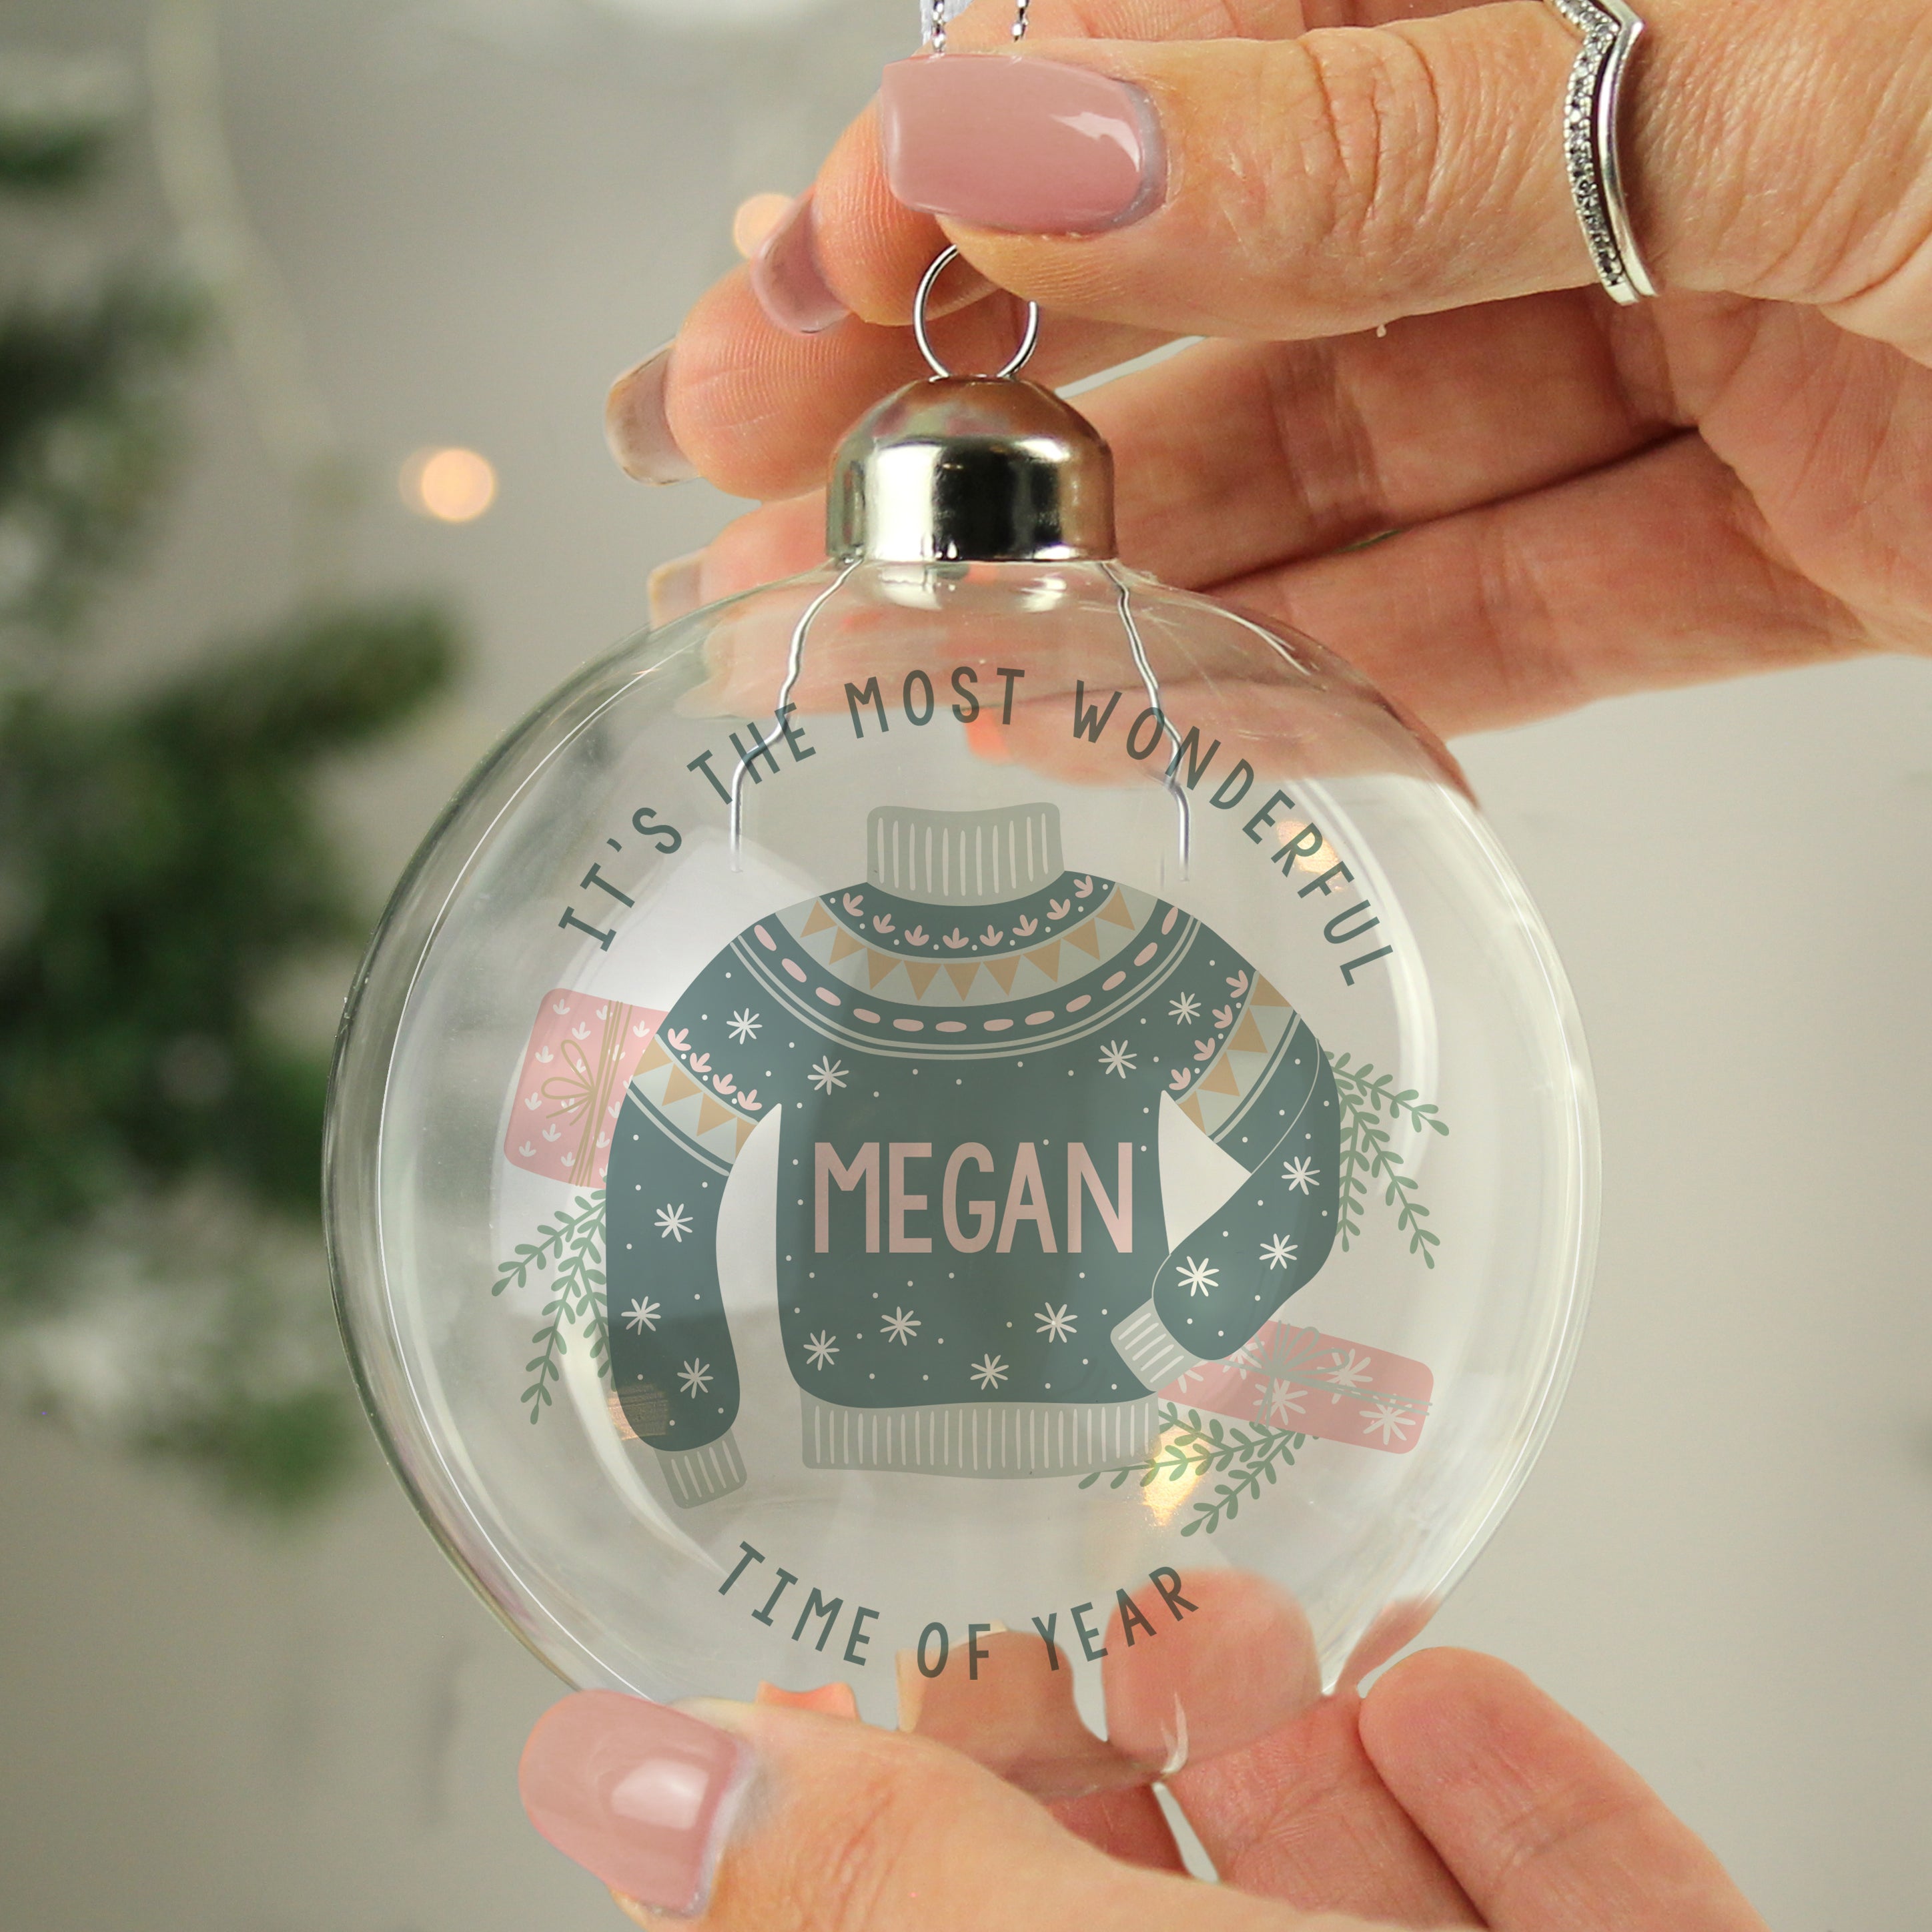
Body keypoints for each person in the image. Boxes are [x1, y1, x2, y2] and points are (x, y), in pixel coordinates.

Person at [526, 0, 1931, 1921]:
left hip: (1093, 1442)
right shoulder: (843, 971)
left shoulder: (1106, 948)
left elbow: (1278, 1130)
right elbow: (676, 1159)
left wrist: (712, 1364)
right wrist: (700, 1357)